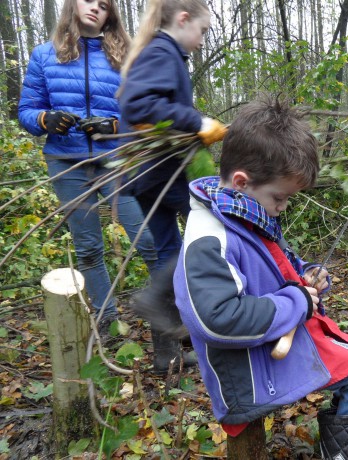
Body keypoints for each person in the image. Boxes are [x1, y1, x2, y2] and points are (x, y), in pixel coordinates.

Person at [173, 97, 348, 458]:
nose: (283, 207)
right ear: (242, 181)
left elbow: (277, 264)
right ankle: (343, 452)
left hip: (272, 346)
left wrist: (306, 273)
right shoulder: (210, 235)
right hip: (250, 371)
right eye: (280, 198)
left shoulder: (244, 211)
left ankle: (346, 440)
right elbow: (217, 320)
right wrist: (297, 300)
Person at [17, 0, 158, 336]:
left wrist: (115, 126)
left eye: (104, 5)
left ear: (111, 14)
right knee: (89, 248)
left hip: (116, 161)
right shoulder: (43, 55)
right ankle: (108, 325)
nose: (95, 8)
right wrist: (44, 119)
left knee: (150, 240)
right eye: (89, 0)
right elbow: (27, 110)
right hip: (67, 164)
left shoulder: (126, 56)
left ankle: (171, 320)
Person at [117, 0, 227, 372]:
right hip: (161, 172)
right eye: (203, 30)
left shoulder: (158, 52)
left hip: (148, 174)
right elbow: (138, 105)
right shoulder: (163, 52)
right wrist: (196, 121)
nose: (201, 40)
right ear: (183, 19)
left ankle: (167, 356)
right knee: (209, 235)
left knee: (169, 252)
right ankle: (153, 300)